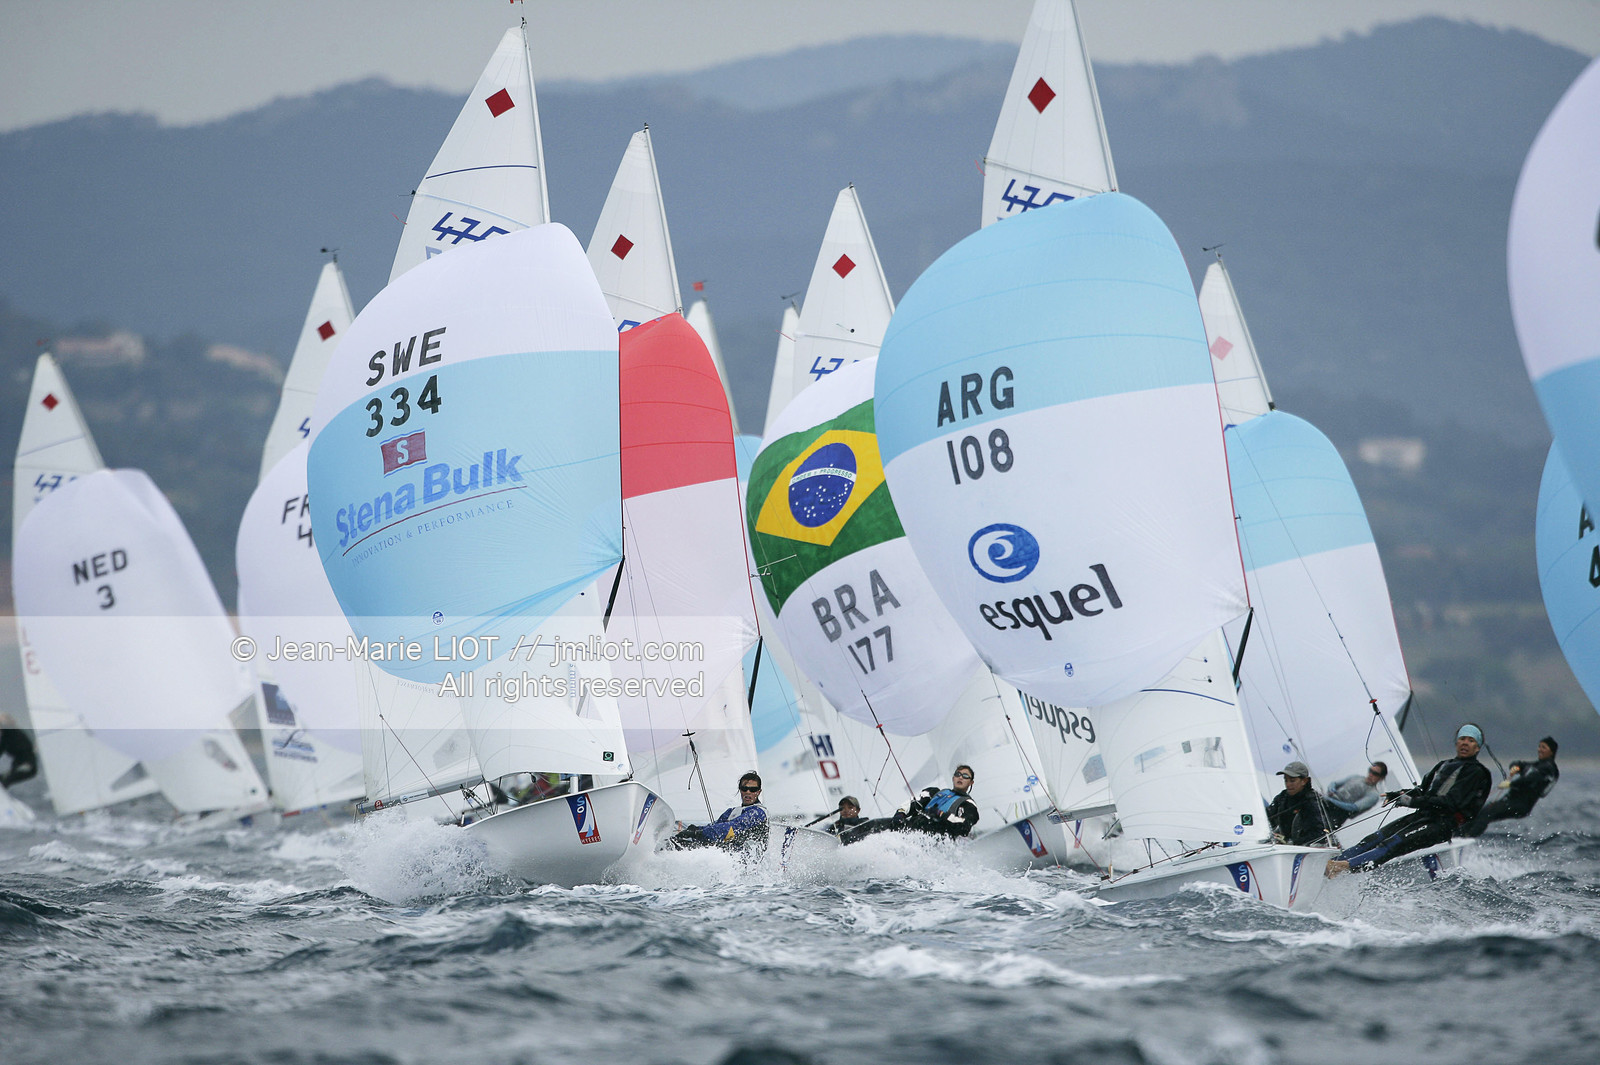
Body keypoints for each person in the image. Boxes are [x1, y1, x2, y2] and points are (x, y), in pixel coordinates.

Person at [1326, 724, 1492, 876]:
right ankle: (1329, 867)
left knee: (1392, 844)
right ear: (1456, 742)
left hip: (1441, 825)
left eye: (1471, 740)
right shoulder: (1444, 765)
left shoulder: (1476, 772)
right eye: (1462, 738)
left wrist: (1411, 802)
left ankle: (1340, 867)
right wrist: (1399, 795)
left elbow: (1451, 802)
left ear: (1477, 747)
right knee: (1372, 839)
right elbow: (1422, 791)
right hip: (1422, 816)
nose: (1465, 743)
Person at [839, 766, 980, 844]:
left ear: (971, 782)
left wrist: (941, 814)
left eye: (965, 776)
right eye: (958, 774)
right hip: (911, 827)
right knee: (874, 824)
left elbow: (964, 826)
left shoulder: (968, 805)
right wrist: (900, 814)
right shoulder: (934, 792)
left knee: (877, 839)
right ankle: (841, 841)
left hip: (931, 838)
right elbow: (912, 803)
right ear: (953, 777)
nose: (961, 777)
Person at [1461, 737, 1559, 837]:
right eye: (1539, 746)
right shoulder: (1537, 765)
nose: (1539, 749)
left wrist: (1510, 784)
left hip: (1521, 805)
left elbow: (1532, 778)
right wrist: (1515, 767)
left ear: (1551, 752)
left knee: (1488, 812)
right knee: (1481, 811)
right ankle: (1456, 836)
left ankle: (1467, 838)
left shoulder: (1550, 769)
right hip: (1511, 800)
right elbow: (1520, 764)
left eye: (1543, 747)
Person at [669, 771, 768, 851]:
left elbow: (732, 829)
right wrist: (693, 829)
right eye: (744, 788)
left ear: (759, 792)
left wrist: (698, 833)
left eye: (753, 789)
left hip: (745, 865)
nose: (748, 792)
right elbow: (714, 826)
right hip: (727, 856)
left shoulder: (758, 813)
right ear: (740, 789)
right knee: (680, 845)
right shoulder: (731, 812)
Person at [1265, 761, 1336, 846]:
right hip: (1288, 850)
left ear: (1304, 781)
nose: (1288, 784)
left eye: (1292, 780)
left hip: (1313, 852)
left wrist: (1293, 843)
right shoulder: (1282, 798)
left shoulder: (1313, 801)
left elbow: (1321, 834)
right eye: (1286, 780)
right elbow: (1266, 817)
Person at [1322, 761, 1388, 828]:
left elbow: (1353, 807)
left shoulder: (1373, 795)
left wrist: (1331, 801)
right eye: (1370, 770)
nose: (1370, 774)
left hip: (1336, 815)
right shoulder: (1356, 777)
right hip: (1325, 803)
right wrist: (1331, 789)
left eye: (1375, 773)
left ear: (1381, 777)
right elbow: (1334, 783)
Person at [0, 713, 38, 789]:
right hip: (21, 764)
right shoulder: (9, 734)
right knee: (4, 779)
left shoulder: (10, 733)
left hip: (27, 764)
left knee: (7, 780)